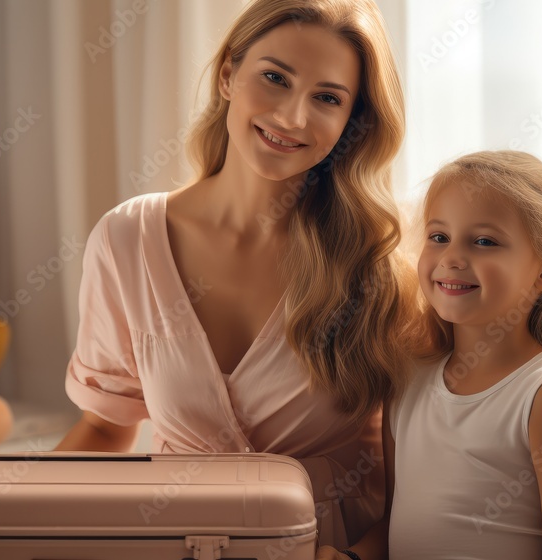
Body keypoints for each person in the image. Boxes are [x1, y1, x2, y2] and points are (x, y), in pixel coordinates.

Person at [55, 0, 415, 549]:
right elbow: (106, 427)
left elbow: (415, 469)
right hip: (175, 537)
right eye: (275, 78)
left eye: (327, 98)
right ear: (228, 75)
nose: (293, 117)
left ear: (350, 122)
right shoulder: (126, 238)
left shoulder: (378, 266)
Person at [318, 151, 542, 559]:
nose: (452, 258)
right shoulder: (408, 380)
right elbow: (397, 523)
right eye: (439, 237)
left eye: (484, 242)